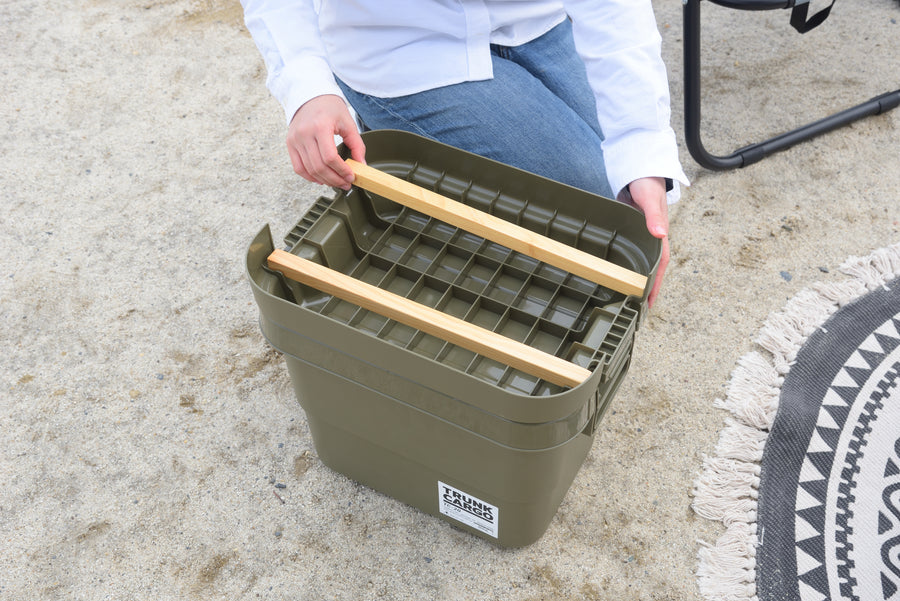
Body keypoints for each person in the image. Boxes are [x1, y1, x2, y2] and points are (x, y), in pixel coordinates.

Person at [241, 1, 688, 306]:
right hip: (401, 40)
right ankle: (387, 119)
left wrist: (641, 142)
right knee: (594, 218)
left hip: (538, 17)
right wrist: (307, 88)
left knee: (628, 204)